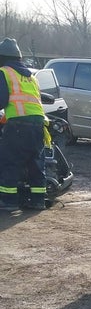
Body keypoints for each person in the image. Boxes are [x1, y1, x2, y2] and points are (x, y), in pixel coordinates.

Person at [0, 37, 48, 211]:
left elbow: (2, 99)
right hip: (38, 125)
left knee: (9, 161)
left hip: (18, 125)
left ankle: (9, 201)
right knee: (35, 162)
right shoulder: (31, 76)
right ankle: (38, 200)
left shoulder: (4, 72)